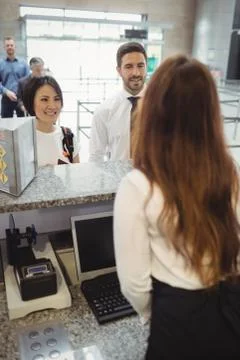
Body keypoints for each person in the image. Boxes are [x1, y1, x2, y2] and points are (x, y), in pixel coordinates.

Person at [113, 54, 240, 358]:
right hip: (231, 309)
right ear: (210, 112)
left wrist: (158, 313)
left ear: (154, 111)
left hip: (177, 319)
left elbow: (134, 285)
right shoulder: (229, 171)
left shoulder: (137, 186)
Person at [89, 42, 147, 162]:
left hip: (155, 179)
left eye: (140, 66)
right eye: (129, 66)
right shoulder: (104, 111)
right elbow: (96, 157)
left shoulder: (164, 106)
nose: (136, 73)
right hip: (118, 180)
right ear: (119, 70)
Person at [23, 75, 80, 166]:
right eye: (44, 99)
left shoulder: (68, 137)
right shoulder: (22, 139)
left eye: (56, 99)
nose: (52, 106)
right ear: (31, 102)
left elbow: (76, 175)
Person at [0, 36, 29, 118]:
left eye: (11, 45)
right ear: (4, 47)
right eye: (7, 45)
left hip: (21, 100)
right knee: (5, 126)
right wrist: (6, 91)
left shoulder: (23, 64)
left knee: (22, 125)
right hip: (6, 98)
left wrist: (26, 100)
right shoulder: (0, 64)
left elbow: (28, 83)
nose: (10, 47)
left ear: (15, 46)